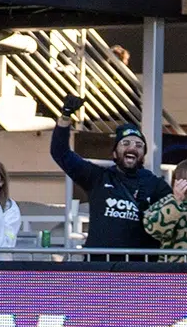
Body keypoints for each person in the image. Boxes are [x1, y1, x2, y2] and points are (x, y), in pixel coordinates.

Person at [49, 95, 173, 252]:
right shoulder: (98, 177)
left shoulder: (156, 185)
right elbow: (60, 153)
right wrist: (65, 116)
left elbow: (174, 215)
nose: (132, 148)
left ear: (143, 154)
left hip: (140, 270)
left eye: (139, 145)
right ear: (114, 153)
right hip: (100, 268)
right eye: (125, 143)